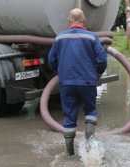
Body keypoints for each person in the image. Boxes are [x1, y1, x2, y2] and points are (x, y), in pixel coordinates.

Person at [48, 8, 107, 156]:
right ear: (84, 20)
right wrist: (97, 73)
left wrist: (61, 73)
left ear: (69, 20)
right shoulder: (92, 37)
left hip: (66, 83)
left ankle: (69, 153)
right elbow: (102, 60)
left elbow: (51, 60)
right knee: (91, 110)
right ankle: (88, 145)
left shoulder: (59, 38)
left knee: (69, 116)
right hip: (88, 82)